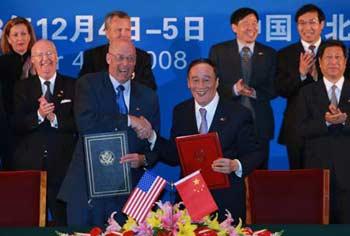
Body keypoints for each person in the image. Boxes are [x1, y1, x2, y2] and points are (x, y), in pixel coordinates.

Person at [58, 39, 160, 227]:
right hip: (87, 188)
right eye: (120, 58)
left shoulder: (148, 96)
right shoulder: (88, 84)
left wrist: (143, 159)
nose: (125, 64)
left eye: (130, 59)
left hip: (132, 194)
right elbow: (86, 123)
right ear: (108, 58)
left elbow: (154, 146)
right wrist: (129, 120)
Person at [150, 59, 263, 222]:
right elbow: (174, 156)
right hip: (190, 198)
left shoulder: (239, 113)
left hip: (226, 201)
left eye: (207, 79)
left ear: (217, 82)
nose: (200, 85)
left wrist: (234, 165)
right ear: (188, 83)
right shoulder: (181, 111)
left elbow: (256, 152)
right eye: (195, 80)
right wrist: (151, 136)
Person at [12, 39, 77, 225]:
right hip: (30, 168)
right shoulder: (21, 88)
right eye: (39, 55)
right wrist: (39, 115)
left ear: (57, 57)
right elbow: (16, 124)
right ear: (32, 60)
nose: (45, 59)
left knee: (63, 225)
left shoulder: (73, 85)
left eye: (49, 54)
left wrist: (55, 119)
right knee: (29, 224)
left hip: (63, 169)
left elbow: (79, 123)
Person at [209, 8, 276, 169]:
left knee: (259, 177)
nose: (251, 27)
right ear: (234, 27)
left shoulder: (269, 53)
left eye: (254, 23)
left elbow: (275, 87)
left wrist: (254, 92)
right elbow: (210, 85)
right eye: (246, 23)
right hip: (228, 123)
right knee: (228, 173)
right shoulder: (219, 51)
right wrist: (234, 89)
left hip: (259, 125)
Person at [296, 40, 350, 223]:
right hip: (318, 168)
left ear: (345, 62)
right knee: (318, 223)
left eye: (338, 57)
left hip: (347, 169)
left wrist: (345, 121)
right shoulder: (307, 92)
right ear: (320, 62)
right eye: (328, 57)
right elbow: (300, 129)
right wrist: (325, 122)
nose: (333, 62)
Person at [275, 4, 325, 169]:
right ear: (297, 26)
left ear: (321, 24)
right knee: (299, 179)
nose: (307, 27)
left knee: (329, 178)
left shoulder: (334, 52)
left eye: (312, 22)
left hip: (329, 125)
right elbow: (281, 89)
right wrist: (301, 74)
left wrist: (319, 77)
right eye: (302, 23)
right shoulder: (284, 54)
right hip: (296, 127)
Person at [79, 10, 157, 90]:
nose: (123, 34)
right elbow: (83, 88)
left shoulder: (143, 58)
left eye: (127, 30)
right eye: (118, 30)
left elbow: (150, 90)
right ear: (107, 33)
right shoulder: (92, 56)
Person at [0, 16, 36, 169]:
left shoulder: (40, 59)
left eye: (23, 34)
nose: (20, 38)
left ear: (30, 36)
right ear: (8, 39)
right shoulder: (2, 64)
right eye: (15, 35)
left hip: (35, 126)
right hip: (9, 130)